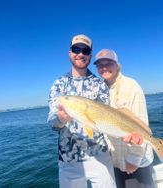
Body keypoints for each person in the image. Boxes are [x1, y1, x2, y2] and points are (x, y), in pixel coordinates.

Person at [47, 35, 116, 188]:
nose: (80, 54)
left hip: (100, 156)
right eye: (76, 49)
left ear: (90, 55)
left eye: (85, 51)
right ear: (70, 53)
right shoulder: (59, 85)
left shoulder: (100, 84)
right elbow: (51, 123)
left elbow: (109, 117)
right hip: (69, 159)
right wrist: (60, 120)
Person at [94, 49, 155, 188]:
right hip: (114, 162)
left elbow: (141, 126)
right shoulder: (101, 90)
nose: (104, 67)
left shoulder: (131, 86)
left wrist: (134, 159)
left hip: (134, 164)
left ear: (117, 65)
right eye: (99, 65)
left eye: (108, 63)